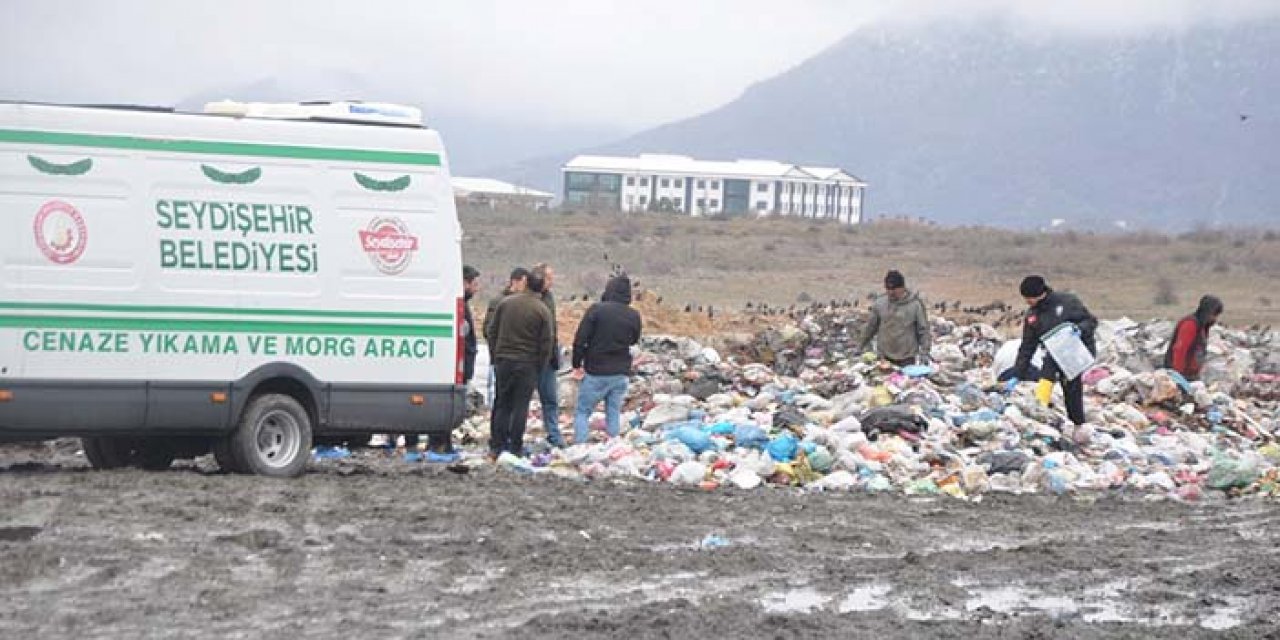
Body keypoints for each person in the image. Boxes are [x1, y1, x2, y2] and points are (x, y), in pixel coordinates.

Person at [1007, 275, 1098, 427]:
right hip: (1055, 352)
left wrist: (1079, 329)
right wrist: (1017, 374)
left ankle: (1077, 424)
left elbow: (1091, 321)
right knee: (1048, 367)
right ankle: (1040, 409)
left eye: (1029, 298)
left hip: (1077, 350)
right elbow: (1027, 346)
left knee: (1071, 386)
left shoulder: (1067, 302)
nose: (1027, 302)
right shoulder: (1033, 316)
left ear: (1040, 294)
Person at [487, 269, 554, 458]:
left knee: (501, 404)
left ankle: (496, 446)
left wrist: (496, 356)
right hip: (527, 364)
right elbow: (546, 342)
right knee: (520, 406)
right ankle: (515, 447)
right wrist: (540, 366)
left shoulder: (505, 303)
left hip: (504, 361)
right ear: (540, 288)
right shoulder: (542, 310)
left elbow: (492, 331)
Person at [571, 274, 643, 444]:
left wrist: (576, 364)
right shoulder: (634, 315)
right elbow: (634, 340)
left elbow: (580, 339)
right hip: (620, 373)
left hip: (596, 371)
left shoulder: (597, 310)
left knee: (583, 411)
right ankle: (612, 445)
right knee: (613, 411)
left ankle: (580, 445)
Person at [424, 265, 481, 463]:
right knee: (447, 406)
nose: (476, 289)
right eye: (473, 284)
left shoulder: (461, 304)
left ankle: (442, 443)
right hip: (456, 366)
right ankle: (440, 444)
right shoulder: (456, 305)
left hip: (460, 364)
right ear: (464, 283)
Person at [857, 270, 932, 366]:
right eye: (888, 289)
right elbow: (871, 327)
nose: (891, 292)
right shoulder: (880, 303)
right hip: (884, 355)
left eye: (894, 289)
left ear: (902, 287)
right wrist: (860, 346)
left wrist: (925, 352)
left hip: (906, 357)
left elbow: (923, 330)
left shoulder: (915, 305)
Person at [530, 263, 566, 447]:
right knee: (520, 401)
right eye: (549, 278)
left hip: (548, 358)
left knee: (550, 399)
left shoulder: (549, 298)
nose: (552, 281)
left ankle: (554, 435)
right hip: (529, 358)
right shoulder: (527, 299)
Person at [484, 267, 529, 406]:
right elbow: (488, 330)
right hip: (501, 358)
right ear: (514, 282)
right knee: (499, 398)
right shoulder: (498, 302)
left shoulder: (526, 303)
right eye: (524, 283)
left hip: (519, 359)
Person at [1163, 295, 1224, 381]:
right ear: (1207, 312)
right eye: (1213, 315)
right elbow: (1180, 350)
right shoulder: (1190, 324)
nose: (1215, 318)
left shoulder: (1203, 326)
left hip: (1191, 374)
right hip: (1179, 374)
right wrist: (1178, 376)